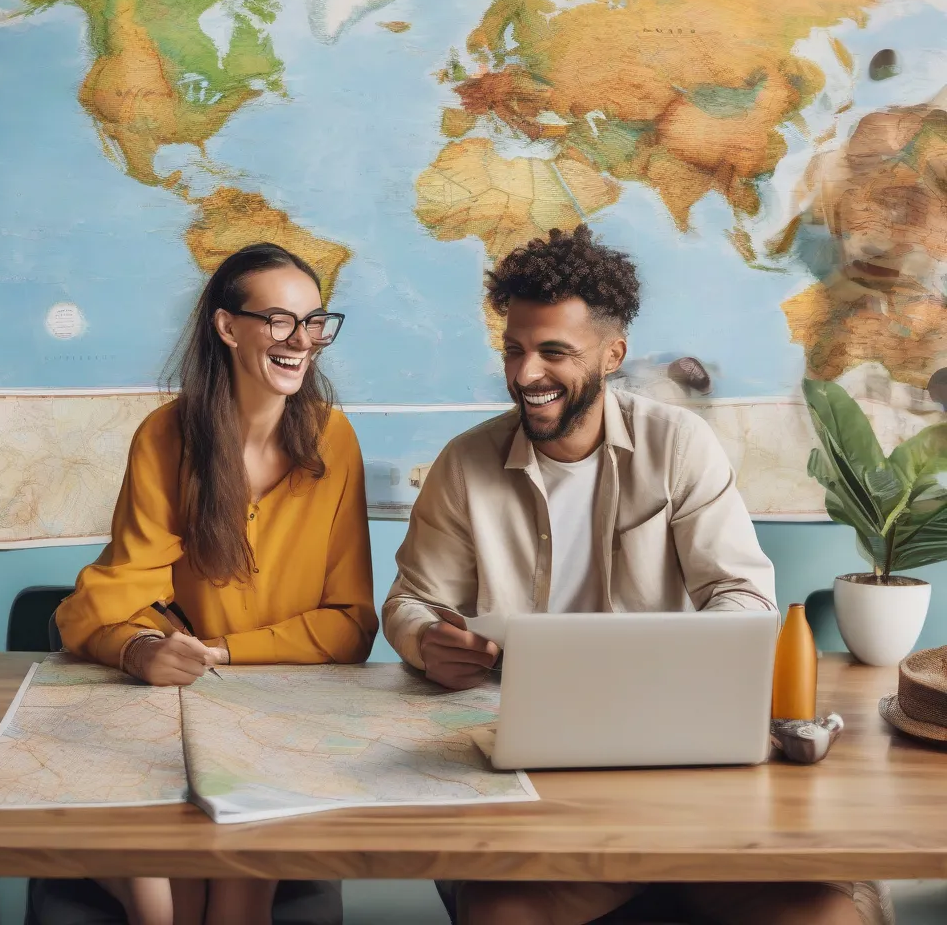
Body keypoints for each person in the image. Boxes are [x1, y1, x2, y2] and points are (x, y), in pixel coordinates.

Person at [383, 225, 887, 925]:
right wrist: (422, 640)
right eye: (515, 349)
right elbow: (412, 601)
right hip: (536, 763)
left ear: (612, 354)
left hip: (681, 763)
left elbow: (743, 595)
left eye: (554, 352)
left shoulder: (679, 446)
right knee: (503, 914)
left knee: (825, 915)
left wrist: (684, 663)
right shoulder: (464, 464)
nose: (526, 374)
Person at [57, 242, 378, 925]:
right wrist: (140, 650)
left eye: (314, 321)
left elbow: (350, 625)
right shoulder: (165, 437)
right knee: (165, 904)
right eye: (280, 321)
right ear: (227, 327)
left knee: (231, 902)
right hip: (170, 708)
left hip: (282, 716)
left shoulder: (334, 439)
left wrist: (223, 652)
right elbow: (101, 604)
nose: (302, 341)